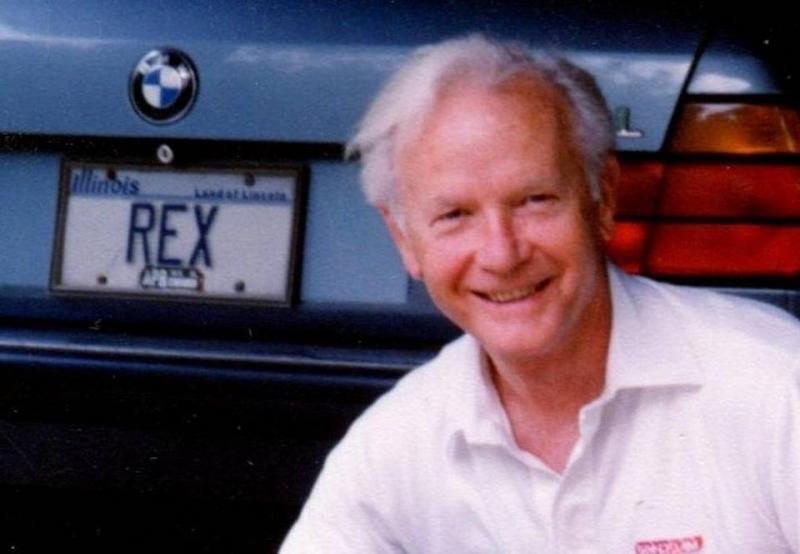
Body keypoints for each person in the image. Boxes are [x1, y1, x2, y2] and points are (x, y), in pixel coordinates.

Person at [280, 34, 800, 553]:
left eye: (534, 200)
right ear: (403, 239)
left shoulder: (776, 390)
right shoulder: (391, 449)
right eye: (455, 215)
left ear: (603, 198)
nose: (501, 254)